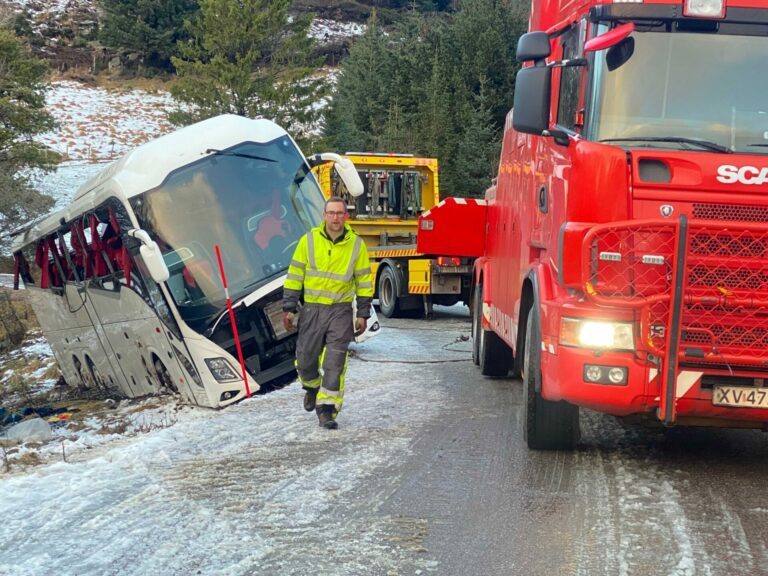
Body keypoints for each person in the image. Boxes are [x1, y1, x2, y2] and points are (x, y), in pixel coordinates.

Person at [282, 196, 373, 429]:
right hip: (311, 309)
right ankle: (312, 386)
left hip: (340, 311)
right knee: (304, 361)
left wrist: (362, 313)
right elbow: (294, 275)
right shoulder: (308, 241)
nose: (335, 217)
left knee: (334, 362)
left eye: (340, 213)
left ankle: (327, 410)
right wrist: (289, 307)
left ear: (346, 216)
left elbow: (364, 281)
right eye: (331, 213)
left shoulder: (356, 245)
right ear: (324, 215)